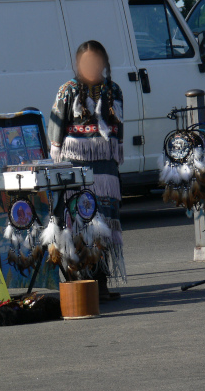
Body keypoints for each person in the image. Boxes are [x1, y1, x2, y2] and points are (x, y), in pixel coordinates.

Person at [48, 40, 126, 301]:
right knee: (76, 222)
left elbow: (119, 125)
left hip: (105, 169)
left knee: (103, 222)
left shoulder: (114, 89)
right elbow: (57, 124)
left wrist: (119, 147)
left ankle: (100, 282)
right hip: (74, 166)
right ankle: (77, 282)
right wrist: (55, 150)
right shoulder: (67, 90)